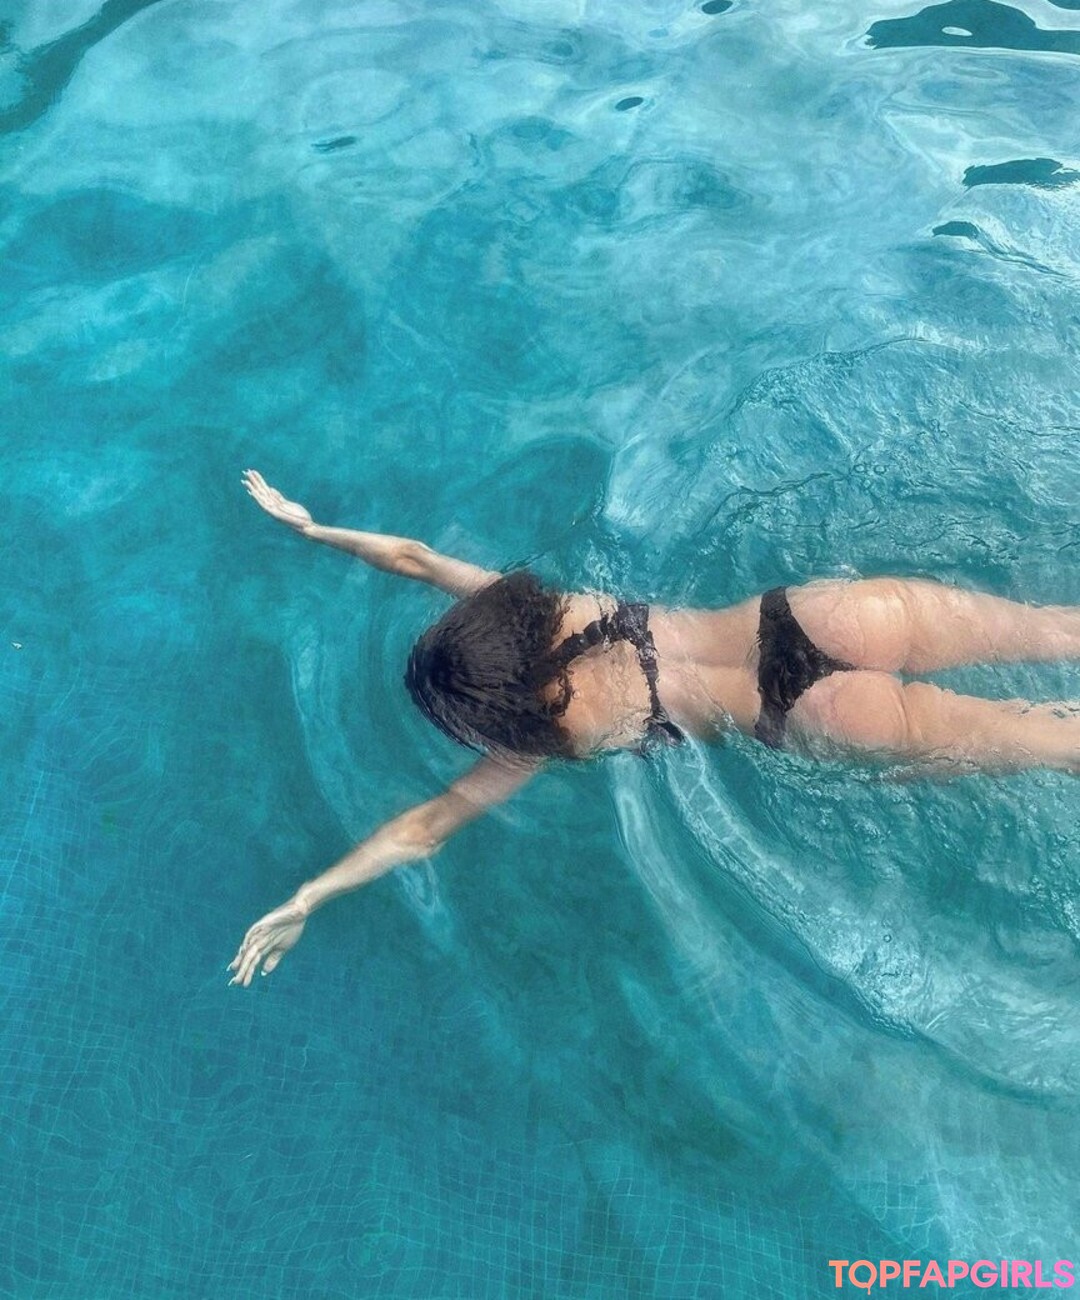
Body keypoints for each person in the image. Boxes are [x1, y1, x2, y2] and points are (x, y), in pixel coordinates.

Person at [228, 469, 1080, 987]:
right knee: (1056, 630)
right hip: (815, 618)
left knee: (1050, 743)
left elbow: (422, 831)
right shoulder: (545, 606)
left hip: (803, 721)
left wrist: (308, 897)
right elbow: (413, 556)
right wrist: (312, 527)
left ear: (486, 714)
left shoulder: (534, 740)